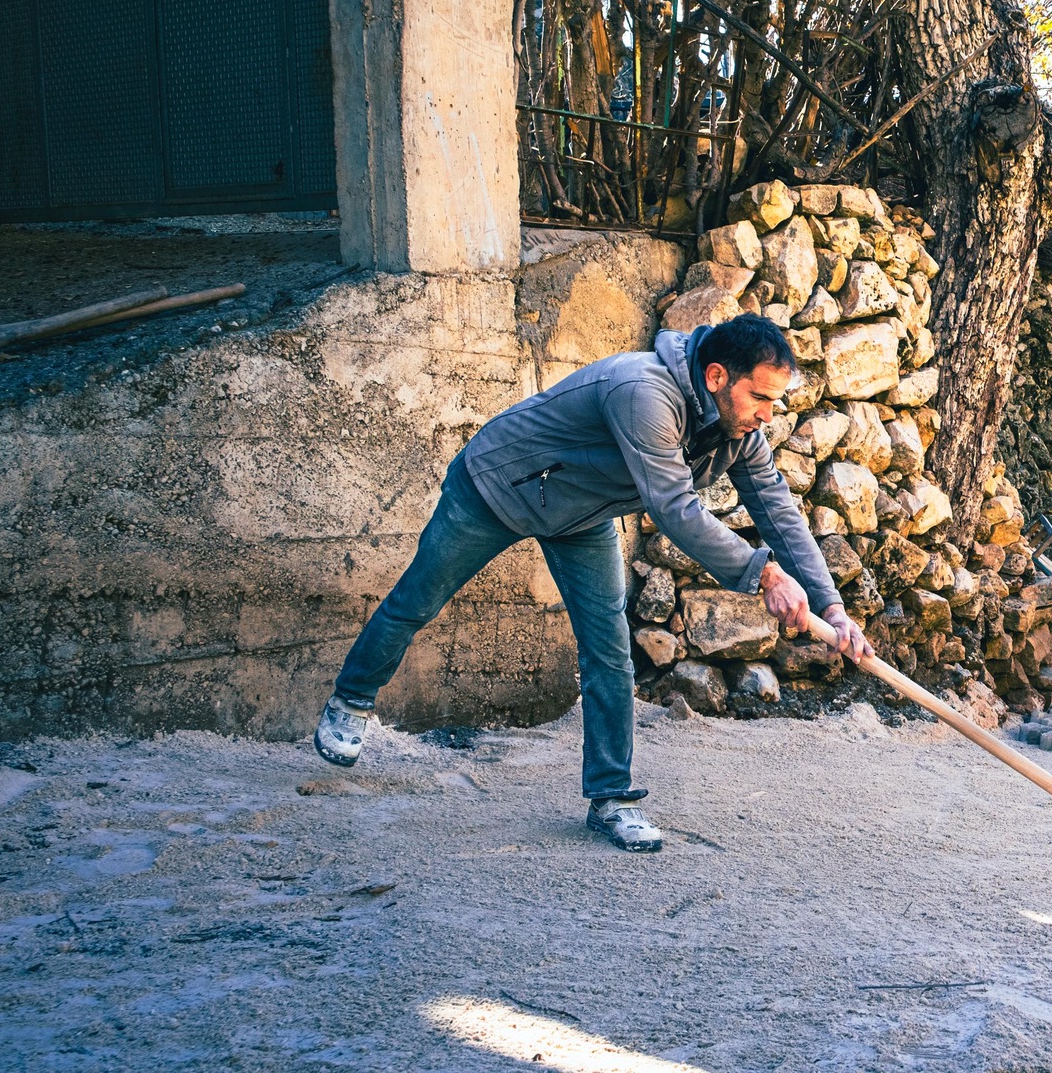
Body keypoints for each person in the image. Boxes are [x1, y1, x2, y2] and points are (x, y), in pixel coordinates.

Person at [312, 315, 873, 852]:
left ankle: (610, 798)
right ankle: (351, 700)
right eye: (761, 397)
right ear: (716, 377)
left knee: (609, 652)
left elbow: (779, 511)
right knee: (417, 601)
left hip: (580, 515)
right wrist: (765, 574)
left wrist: (831, 605)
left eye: (776, 401)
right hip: (496, 486)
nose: (769, 415)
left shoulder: (739, 429)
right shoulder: (643, 391)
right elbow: (675, 508)